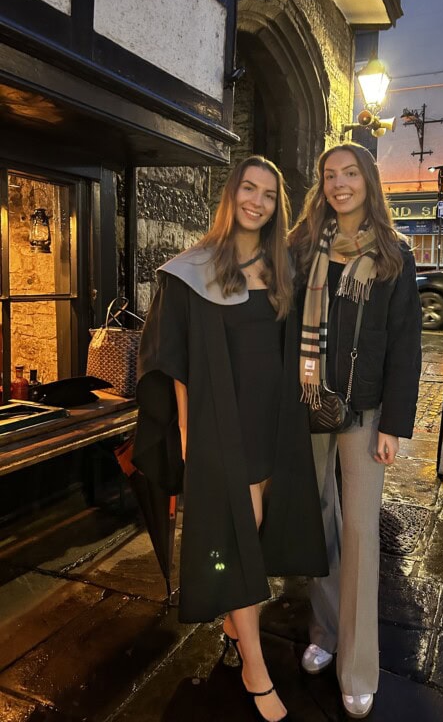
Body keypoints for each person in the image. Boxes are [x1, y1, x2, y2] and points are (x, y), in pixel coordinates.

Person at [133, 155, 328, 722]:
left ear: (276, 206)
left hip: (273, 424)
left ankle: (231, 621)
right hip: (224, 424)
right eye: (249, 188)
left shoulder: (280, 268)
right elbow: (174, 362)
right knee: (239, 539)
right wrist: (190, 430)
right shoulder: (192, 270)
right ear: (232, 194)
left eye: (269, 194)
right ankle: (254, 664)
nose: (257, 200)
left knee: (256, 528)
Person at [288, 142, 422, 719]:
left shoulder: (393, 254)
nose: (340, 184)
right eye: (330, 175)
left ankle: (359, 667)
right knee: (318, 523)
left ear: (368, 180)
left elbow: (406, 345)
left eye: (350, 174)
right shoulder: (302, 247)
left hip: (364, 413)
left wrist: (395, 422)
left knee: (362, 534)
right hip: (307, 404)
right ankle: (326, 628)